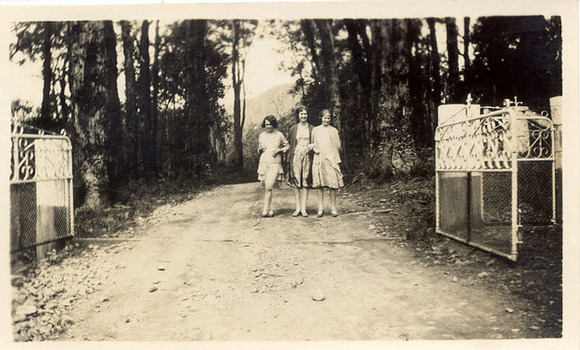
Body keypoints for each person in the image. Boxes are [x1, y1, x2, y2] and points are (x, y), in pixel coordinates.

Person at [311, 109, 344, 217]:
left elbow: (337, 146)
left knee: (332, 184)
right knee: (319, 185)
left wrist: (334, 159)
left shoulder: (333, 130)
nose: (326, 120)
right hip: (319, 158)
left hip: (331, 159)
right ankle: (320, 208)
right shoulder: (315, 130)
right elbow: (312, 144)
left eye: (328, 118)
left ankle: (333, 207)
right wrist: (315, 149)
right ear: (321, 118)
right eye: (325, 117)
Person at [257, 115, 289, 217]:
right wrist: (260, 149)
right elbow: (259, 149)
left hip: (275, 162)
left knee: (269, 185)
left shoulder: (279, 135)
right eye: (266, 124)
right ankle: (269, 209)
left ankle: (265, 209)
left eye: (270, 124)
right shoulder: (262, 135)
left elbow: (287, 145)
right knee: (267, 186)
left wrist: (279, 150)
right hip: (264, 161)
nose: (268, 126)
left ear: (274, 124)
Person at [286, 106, 315, 217]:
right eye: (301, 114)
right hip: (296, 156)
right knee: (296, 182)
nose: (303, 116)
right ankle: (297, 208)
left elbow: (315, 142)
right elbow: (290, 143)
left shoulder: (312, 128)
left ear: (307, 115)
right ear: (298, 116)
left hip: (307, 156)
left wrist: (311, 148)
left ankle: (304, 208)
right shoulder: (293, 129)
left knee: (305, 181)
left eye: (305, 114)